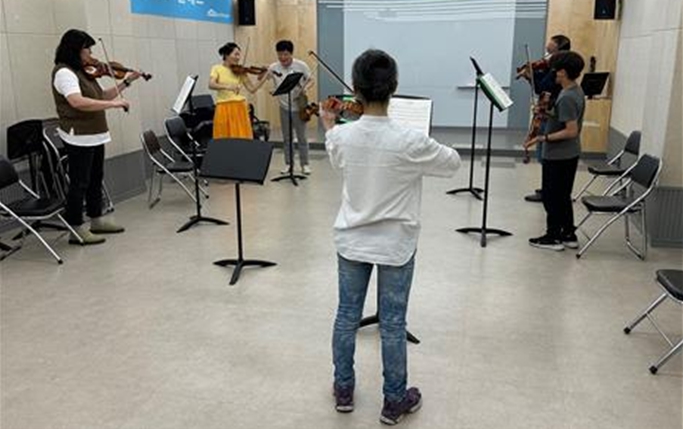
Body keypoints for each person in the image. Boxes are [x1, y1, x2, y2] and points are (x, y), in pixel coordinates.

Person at [321, 49, 461, 425]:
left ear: (355, 88)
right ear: (394, 88)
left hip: (352, 240)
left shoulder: (342, 136)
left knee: (346, 316)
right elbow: (452, 163)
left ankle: (344, 389)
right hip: (395, 243)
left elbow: (335, 153)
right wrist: (422, 144)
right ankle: (394, 401)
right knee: (394, 324)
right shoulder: (410, 140)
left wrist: (329, 123)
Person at [52, 29, 139, 245]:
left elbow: (101, 96)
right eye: (87, 49)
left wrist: (126, 83)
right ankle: (75, 229)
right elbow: (77, 101)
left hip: (95, 133)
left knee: (95, 179)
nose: (91, 53)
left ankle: (96, 220)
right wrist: (114, 104)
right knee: (79, 183)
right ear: (76, 49)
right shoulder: (64, 73)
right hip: (79, 135)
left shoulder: (84, 72)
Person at [524, 51, 586, 251]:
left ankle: (552, 237)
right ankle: (568, 234)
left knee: (551, 197)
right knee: (563, 196)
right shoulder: (575, 90)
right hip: (569, 153)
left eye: (555, 70)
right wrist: (546, 113)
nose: (553, 74)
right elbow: (563, 117)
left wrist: (543, 138)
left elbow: (571, 130)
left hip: (559, 154)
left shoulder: (567, 97)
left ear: (564, 72)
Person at [520, 34, 571, 203]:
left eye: (550, 52)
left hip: (552, 114)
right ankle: (547, 189)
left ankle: (549, 191)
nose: (546, 56)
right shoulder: (552, 66)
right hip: (547, 111)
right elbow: (539, 87)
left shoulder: (559, 69)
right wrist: (530, 76)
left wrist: (530, 76)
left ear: (559, 51)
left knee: (547, 154)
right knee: (544, 154)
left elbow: (543, 86)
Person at [260, 40, 314, 175]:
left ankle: (305, 164)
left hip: (299, 106)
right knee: (286, 138)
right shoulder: (274, 67)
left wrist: (306, 88)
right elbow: (262, 78)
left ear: (291, 53)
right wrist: (262, 71)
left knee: (302, 137)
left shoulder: (301, 65)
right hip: (283, 106)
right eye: (279, 55)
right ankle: (289, 164)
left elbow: (311, 80)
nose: (282, 58)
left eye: (285, 54)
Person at [209, 42, 261, 139]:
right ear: (226, 55)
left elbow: (252, 89)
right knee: (223, 137)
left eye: (239, 55)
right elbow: (211, 84)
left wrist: (264, 77)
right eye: (236, 54)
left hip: (239, 107)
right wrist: (227, 86)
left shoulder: (240, 71)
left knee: (241, 137)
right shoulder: (217, 68)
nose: (238, 57)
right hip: (223, 107)